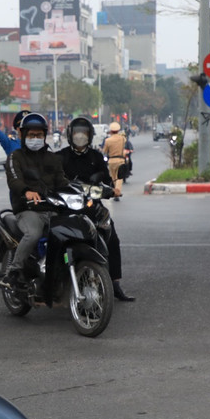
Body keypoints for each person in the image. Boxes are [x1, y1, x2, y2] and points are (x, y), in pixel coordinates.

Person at [58, 116, 135, 302]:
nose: (80, 137)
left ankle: (115, 283)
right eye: (77, 133)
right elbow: (52, 181)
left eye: (84, 133)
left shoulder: (96, 156)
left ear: (90, 136)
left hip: (92, 206)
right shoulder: (60, 157)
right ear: (70, 135)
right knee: (56, 238)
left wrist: (109, 185)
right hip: (67, 208)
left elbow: (108, 181)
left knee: (112, 239)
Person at [1, 112, 68, 289]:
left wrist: (77, 189)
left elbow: (62, 180)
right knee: (33, 234)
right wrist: (26, 191)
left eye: (39, 135)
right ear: (23, 135)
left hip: (52, 207)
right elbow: (14, 180)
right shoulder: (15, 157)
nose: (35, 138)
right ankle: (13, 273)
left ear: (45, 136)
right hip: (27, 209)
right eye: (31, 135)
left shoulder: (53, 158)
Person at [102, 121, 128, 199]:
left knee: (113, 178)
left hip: (111, 161)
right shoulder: (122, 139)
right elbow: (125, 141)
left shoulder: (108, 140)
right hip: (120, 160)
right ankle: (117, 192)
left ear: (111, 131)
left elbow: (104, 151)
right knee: (120, 178)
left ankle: (115, 192)